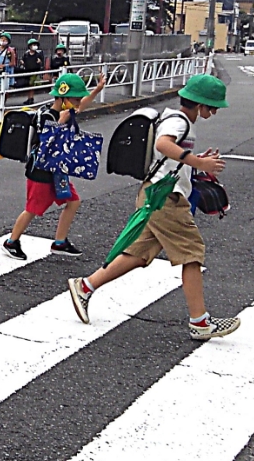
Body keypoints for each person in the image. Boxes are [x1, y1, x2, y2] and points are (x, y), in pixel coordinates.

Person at [66, 74, 242, 340]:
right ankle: (200, 322)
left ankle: (85, 286)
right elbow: (162, 144)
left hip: (156, 193)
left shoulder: (178, 119)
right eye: (212, 106)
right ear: (199, 104)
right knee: (192, 253)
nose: (214, 111)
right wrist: (198, 162)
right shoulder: (178, 121)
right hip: (165, 198)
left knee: (139, 253)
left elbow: (167, 155)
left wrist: (195, 161)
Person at [3, 72, 106, 261]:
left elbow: (82, 105)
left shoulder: (68, 110)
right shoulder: (46, 114)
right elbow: (46, 143)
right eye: (74, 99)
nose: (77, 103)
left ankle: (60, 242)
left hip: (58, 171)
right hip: (40, 171)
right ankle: (12, 241)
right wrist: (60, 122)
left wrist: (97, 89)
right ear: (62, 96)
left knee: (73, 201)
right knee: (33, 208)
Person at [0, 32, 19, 107]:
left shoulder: (10, 51)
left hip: (6, 71)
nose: (3, 40)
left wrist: (4, 65)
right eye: (2, 39)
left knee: (4, 89)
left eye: (5, 39)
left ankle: (2, 103)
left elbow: (13, 63)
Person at [20, 37, 45, 105]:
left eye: (35, 45)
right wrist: (22, 62)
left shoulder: (38, 54)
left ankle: (31, 98)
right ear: (29, 46)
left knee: (31, 84)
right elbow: (22, 60)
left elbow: (42, 63)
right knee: (28, 85)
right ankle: (29, 98)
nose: (34, 46)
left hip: (34, 71)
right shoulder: (26, 54)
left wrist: (40, 62)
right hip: (27, 71)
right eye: (33, 45)